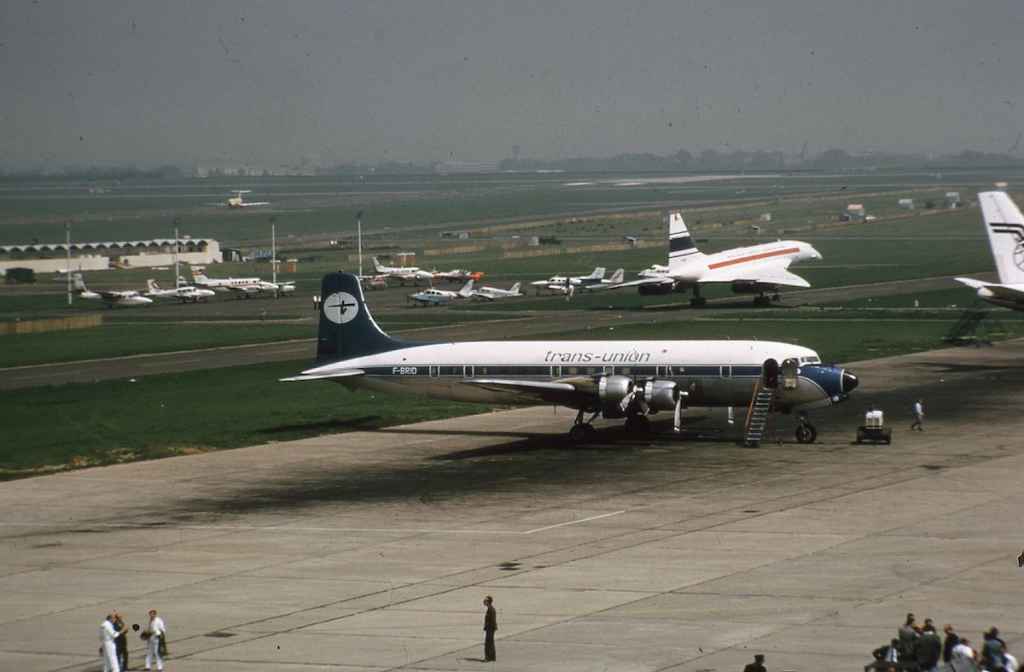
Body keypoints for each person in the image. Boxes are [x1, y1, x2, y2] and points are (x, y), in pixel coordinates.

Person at [482, 596, 497, 662]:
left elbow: (492, 620)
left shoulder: (491, 609)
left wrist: (491, 628)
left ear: (488, 602)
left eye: (485, 601)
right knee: (491, 643)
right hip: (490, 628)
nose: (484, 602)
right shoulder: (490, 609)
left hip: (490, 628)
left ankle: (488, 658)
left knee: (488, 643)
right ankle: (492, 657)